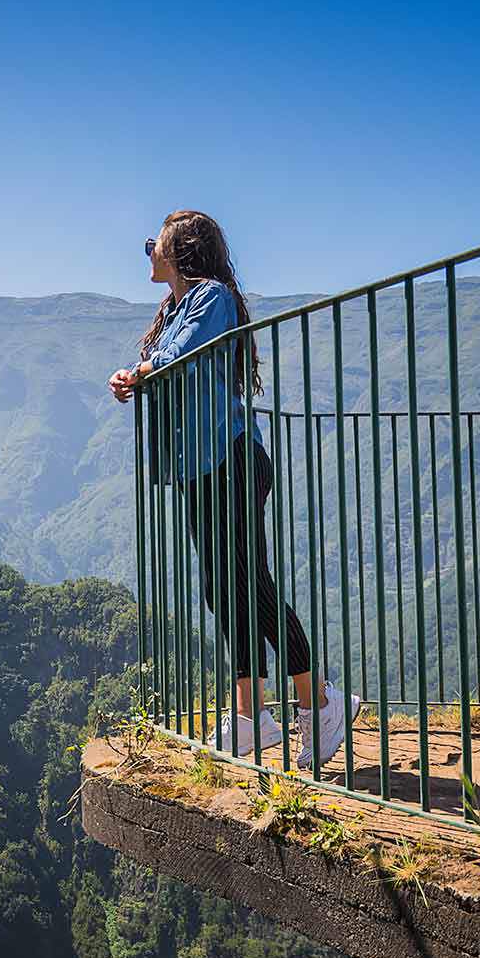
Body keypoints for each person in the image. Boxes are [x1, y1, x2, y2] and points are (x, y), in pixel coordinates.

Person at [108, 210, 359, 768]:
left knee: (250, 584)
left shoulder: (211, 297)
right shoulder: (174, 309)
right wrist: (134, 377)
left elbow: (181, 360)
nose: (149, 250)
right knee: (221, 590)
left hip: (231, 460)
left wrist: (141, 372)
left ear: (181, 249)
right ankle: (251, 717)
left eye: (156, 242)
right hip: (200, 466)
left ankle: (320, 703)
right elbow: (163, 364)